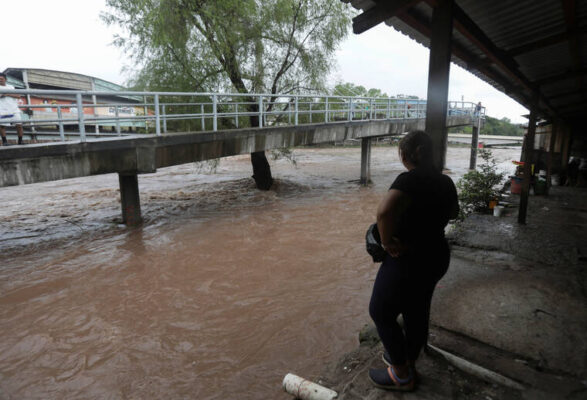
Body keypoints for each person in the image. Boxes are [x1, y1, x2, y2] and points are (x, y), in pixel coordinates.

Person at [367, 130, 459, 391]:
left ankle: (401, 374)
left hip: (408, 257)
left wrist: (387, 242)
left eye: (402, 153)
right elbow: (453, 214)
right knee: (416, 308)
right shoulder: (445, 181)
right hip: (437, 254)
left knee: (381, 311)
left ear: (410, 154)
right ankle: (408, 355)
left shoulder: (410, 179)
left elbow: (384, 212)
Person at [0, 72, 24, 145]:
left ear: (5, 79)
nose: (0, 80)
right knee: (2, 126)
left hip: (14, 109)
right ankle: (4, 141)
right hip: (2, 109)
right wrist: (2, 95)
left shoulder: (11, 87)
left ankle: (20, 141)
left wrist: (7, 94)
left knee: (19, 125)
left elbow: (18, 96)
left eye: (1, 79)